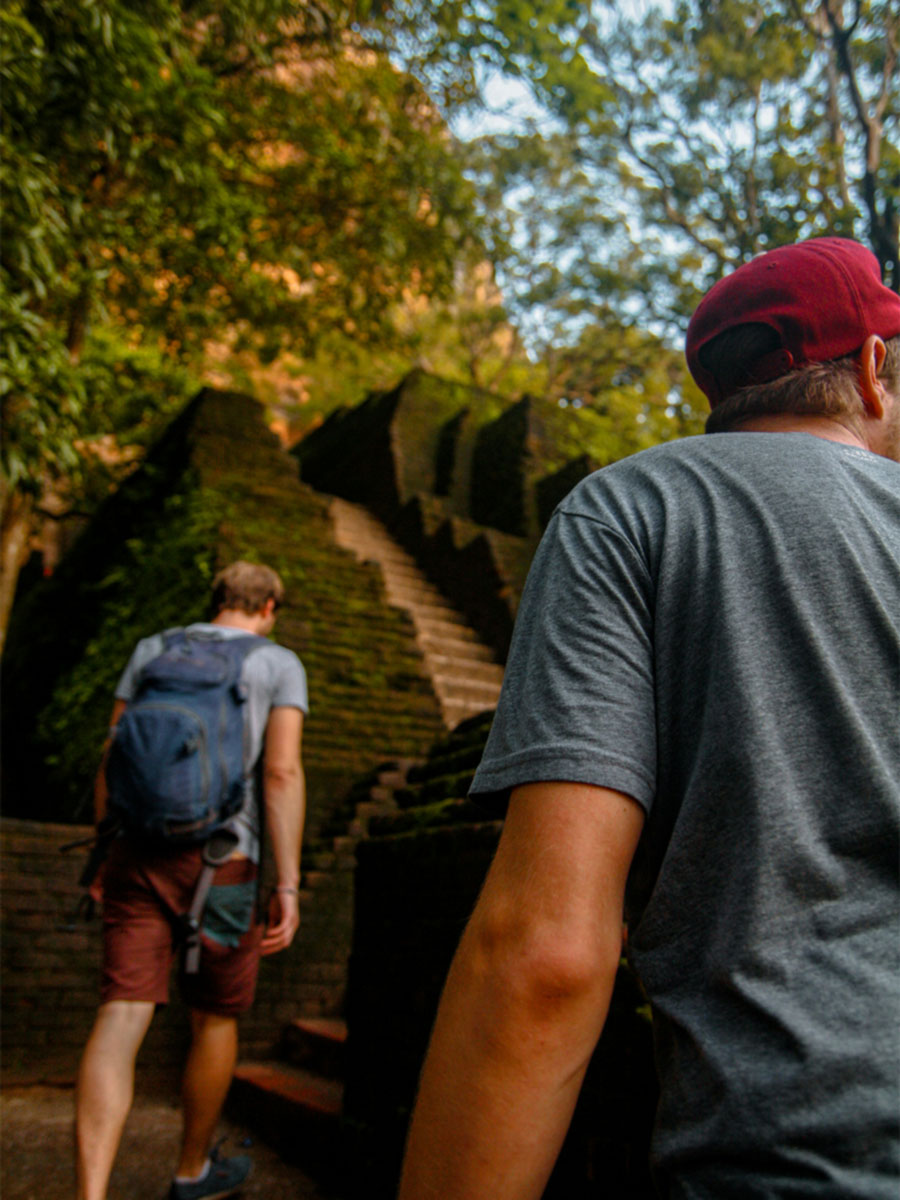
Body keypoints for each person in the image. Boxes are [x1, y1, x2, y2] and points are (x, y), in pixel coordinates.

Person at [397, 237, 900, 1199]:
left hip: (787, 1160)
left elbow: (547, 950)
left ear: (723, 394)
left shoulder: (635, 511)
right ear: (873, 371)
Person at [75, 561, 308, 1200]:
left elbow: (113, 749)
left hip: (135, 852)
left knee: (120, 1016)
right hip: (226, 862)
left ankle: (89, 1193)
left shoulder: (154, 648)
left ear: (216, 601)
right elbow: (281, 774)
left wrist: (106, 849)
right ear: (268, 608)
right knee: (213, 1018)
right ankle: (191, 1172)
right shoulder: (277, 662)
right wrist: (286, 884)